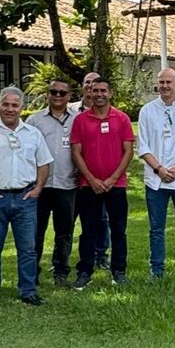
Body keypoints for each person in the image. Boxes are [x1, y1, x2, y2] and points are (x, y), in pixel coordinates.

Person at [0, 86, 52, 310]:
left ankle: (28, 291)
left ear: (22, 108)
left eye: (15, 105)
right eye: (6, 104)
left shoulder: (33, 134)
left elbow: (44, 163)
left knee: (28, 249)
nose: (10, 109)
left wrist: (38, 189)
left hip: (25, 199)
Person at [70, 76, 135, 289]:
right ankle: (85, 271)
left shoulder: (122, 118)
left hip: (116, 185)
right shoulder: (80, 120)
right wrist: (92, 179)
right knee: (88, 230)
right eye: (95, 90)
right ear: (89, 92)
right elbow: (76, 152)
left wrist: (112, 178)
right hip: (89, 186)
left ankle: (119, 270)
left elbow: (128, 151)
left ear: (110, 93)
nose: (98, 94)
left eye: (103, 91)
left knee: (119, 230)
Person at [136, 68, 175, 280]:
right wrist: (159, 169)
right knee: (156, 228)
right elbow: (143, 145)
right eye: (161, 82)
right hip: (155, 180)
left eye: (168, 82)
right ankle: (157, 270)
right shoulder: (147, 111)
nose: (164, 86)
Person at [26, 79, 80, 287]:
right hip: (40, 185)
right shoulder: (34, 120)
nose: (57, 96)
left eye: (62, 93)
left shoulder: (78, 120)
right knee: (36, 231)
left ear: (69, 96)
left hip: (67, 184)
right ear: (47, 94)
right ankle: (32, 271)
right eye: (53, 92)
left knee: (64, 231)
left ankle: (61, 271)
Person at [69, 71, 109, 269]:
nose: (92, 87)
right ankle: (63, 257)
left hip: (97, 179)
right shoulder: (69, 110)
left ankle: (101, 256)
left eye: (96, 83)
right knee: (69, 219)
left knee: (101, 219)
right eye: (88, 83)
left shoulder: (109, 113)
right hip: (68, 176)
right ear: (84, 87)